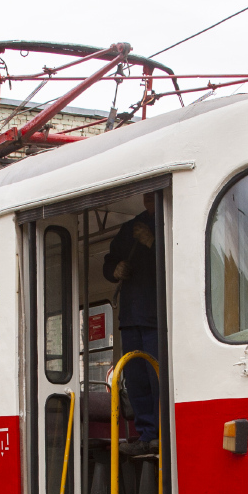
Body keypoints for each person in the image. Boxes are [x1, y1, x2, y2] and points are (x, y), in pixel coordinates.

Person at [103, 193, 159, 457]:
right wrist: (115, 271)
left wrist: (152, 243)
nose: (149, 200)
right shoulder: (130, 228)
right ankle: (146, 433)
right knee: (136, 378)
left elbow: (182, 260)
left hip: (158, 317)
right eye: (146, 196)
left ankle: (161, 432)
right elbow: (109, 262)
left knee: (157, 376)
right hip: (131, 316)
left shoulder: (172, 218)